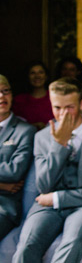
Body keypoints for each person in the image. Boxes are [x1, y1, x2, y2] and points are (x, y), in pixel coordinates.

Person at [13, 77, 82, 263]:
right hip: (48, 207)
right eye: (57, 108)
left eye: (69, 107)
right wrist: (59, 145)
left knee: (72, 243)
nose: (62, 114)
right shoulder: (41, 138)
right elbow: (44, 185)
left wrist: (58, 198)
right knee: (26, 246)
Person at [0, 75, 35, 241]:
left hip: (4, 207)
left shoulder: (25, 131)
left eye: (5, 91)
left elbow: (14, 172)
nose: (1, 96)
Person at [12, 61, 54, 129]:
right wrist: (31, 126)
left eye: (41, 72)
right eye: (32, 73)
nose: (37, 76)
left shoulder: (55, 97)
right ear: (28, 76)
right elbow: (14, 124)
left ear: (46, 76)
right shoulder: (19, 100)